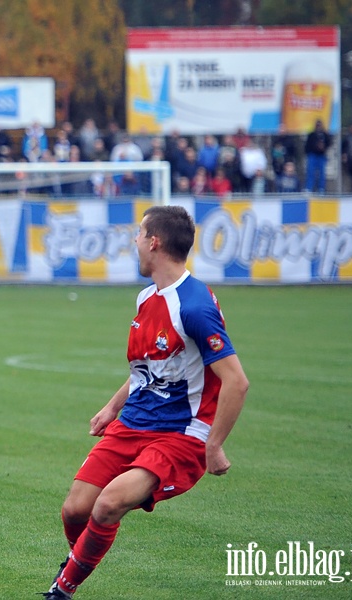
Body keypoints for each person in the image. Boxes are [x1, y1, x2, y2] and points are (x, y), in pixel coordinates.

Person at [42, 205, 249, 599]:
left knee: (107, 505)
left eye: (138, 234)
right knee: (75, 509)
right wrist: (111, 407)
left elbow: (237, 382)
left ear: (153, 242)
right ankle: (75, 563)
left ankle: (62, 591)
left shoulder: (194, 306)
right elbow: (148, 370)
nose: (134, 241)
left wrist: (214, 444)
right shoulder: (146, 298)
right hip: (134, 422)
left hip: (179, 434)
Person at [304, 119, 331, 193]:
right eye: (317, 125)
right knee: (310, 172)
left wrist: (323, 148)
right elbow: (307, 145)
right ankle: (309, 188)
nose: (318, 127)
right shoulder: (312, 135)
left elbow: (329, 143)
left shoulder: (325, 135)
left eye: (320, 125)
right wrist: (314, 147)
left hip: (321, 156)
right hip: (312, 155)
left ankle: (321, 188)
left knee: (322, 173)